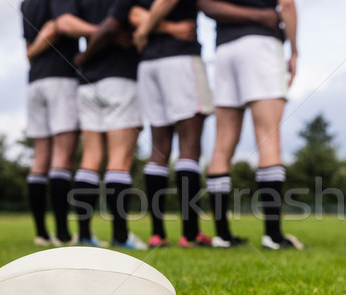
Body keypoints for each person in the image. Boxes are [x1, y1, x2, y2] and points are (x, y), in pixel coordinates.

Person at [27, 1, 196, 249]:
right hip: (120, 77)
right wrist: (90, 49)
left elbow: (66, 24)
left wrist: (85, 55)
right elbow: (114, 27)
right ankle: (120, 235)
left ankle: (84, 235)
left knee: (90, 159)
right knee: (119, 160)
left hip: (87, 81)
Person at [103, 0, 213, 248]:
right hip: (180, 59)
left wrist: (147, 27)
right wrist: (156, 29)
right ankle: (190, 233)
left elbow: (134, 13)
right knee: (189, 147)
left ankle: (158, 234)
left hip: (148, 64)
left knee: (159, 148)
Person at [198, 0, 304, 249]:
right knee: (268, 138)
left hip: (224, 50)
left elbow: (206, 4)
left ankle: (222, 235)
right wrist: (295, 51)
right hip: (261, 45)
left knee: (222, 145)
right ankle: (273, 236)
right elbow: (286, 4)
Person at [21, 0, 80, 246]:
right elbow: (57, 27)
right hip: (60, 79)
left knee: (40, 159)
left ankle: (41, 233)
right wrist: (35, 50)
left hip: (35, 81)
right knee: (62, 158)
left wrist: (32, 53)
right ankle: (63, 234)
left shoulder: (26, 3)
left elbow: (27, 43)